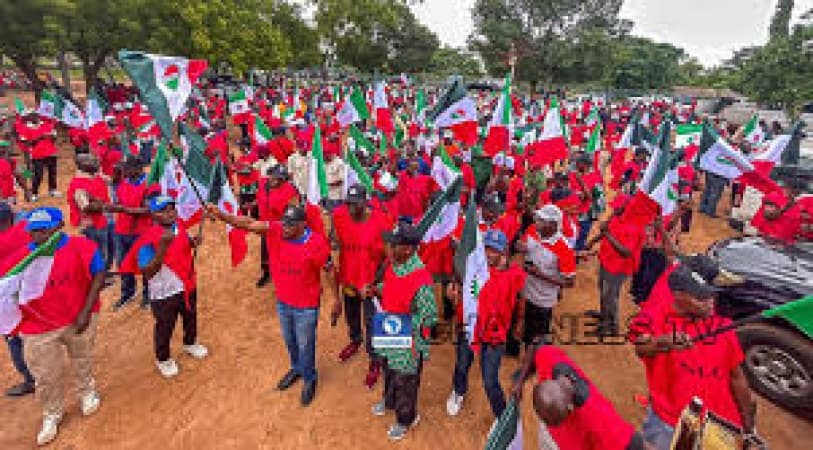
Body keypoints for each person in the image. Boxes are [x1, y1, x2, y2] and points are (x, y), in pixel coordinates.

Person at [207, 203, 334, 406]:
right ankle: (297, 368)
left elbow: (329, 270)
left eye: (290, 225)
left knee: (305, 344)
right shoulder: (275, 230)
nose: (284, 228)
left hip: (306, 307)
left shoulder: (316, 243)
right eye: (284, 223)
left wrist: (336, 301)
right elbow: (248, 223)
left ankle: (309, 378)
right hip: (283, 302)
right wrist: (222, 215)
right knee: (290, 340)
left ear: (302, 225)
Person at [3, 207, 106, 446]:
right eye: (33, 231)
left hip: (77, 318)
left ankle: (86, 391)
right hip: (38, 327)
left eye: (43, 229)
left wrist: (86, 310)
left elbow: (99, 273)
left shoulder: (81, 246)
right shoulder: (20, 261)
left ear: (58, 227)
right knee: (45, 374)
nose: (37, 236)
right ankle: (52, 413)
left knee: (83, 358)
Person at [629, 265, 757, 449]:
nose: (710, 302)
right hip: (670, 424)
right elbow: (641, 349)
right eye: (701, 298)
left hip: (719, 428)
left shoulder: (722, 327)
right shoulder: (653, 320)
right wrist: (663, 343)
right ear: (678, 295)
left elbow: (737, 378)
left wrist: (750, 427)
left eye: (711, 295)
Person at [119, 195, 208, 378]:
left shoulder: (180, 226)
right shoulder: (147, 239)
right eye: (163, 210)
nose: (169, 213)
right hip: (164, 292)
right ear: (153, 216)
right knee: (165, 326)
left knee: (190, 316)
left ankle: (190, 342)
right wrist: (162, 247)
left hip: (187, 283)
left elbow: (184, 244)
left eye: (171, 208)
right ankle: (163, 358)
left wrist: (193, 242)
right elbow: (148, 271)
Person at [445, 229, 526, 420]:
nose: (490, 254)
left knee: (490, 379)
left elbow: (521, 298)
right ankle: (458, 392)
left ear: (504, 251)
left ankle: (501, 418)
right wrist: (453, 295)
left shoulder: (514, 274)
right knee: (462, 364)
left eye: (495, 250)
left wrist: (520, 321)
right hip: (469, 327)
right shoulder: (473, 267)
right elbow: (460, 288)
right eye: (487, 248)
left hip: (495, 334)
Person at [370, 221, 438, 441]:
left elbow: (429, 317)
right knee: (388, 370)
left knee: (405, 382)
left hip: (408, 340)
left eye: (394, 244)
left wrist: (402, 322)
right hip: (390, 330)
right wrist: (377, 290)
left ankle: (406, 418)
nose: (388, 247)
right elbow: (391, 287)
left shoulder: (421, 280)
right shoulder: (394, 265)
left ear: (408, 249)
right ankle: (389, 401)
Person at [511, 345, 651, 450]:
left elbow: (636, 444)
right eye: (545, 420)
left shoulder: (598, 415)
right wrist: (520, 380)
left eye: (556, 422)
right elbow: (536, 346)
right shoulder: (549, 358)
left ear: (570, 408)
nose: (549, 425)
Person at [330, 184, 390, 388]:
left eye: (356, 205)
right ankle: (355, 340)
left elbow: (388, 259)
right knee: (351, 315)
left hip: (370, 285)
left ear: (366, 203)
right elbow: (336, 237)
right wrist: (334, 241)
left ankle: (375, 360)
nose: (351, 209)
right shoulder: (340, 215)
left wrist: (374, 283)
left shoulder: (381, 222)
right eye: (349, 204)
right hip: (349, 279)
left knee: (372, 322)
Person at [518, 205, 576, 346]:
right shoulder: (532, 230)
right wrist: (520, 247)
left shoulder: (564, 249)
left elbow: (570, 282)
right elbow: (522, 244)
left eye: (541, 220)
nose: (536, 221)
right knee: (525, 330)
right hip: (525, 292)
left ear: (553, 225)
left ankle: (534, 363)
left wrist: (539, 275)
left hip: (543, 300)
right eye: (538, 218)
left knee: (538, 337)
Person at [586, 195, 644, 336]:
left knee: (611, 295)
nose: (614, 208)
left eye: (617, 206)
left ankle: (610, 327)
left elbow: (626, 252)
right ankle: (604, 315)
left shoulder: (634, 226)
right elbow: (607, 229)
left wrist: (607, 234)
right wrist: (594, 241)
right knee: (603, 290)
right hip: (607, 260)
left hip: (619, 267)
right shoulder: (618, 217)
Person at [0, 202, 35, 397]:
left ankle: (31, 379)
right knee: (36, 330)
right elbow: (26, 214)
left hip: (7, 298)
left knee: (14, 338)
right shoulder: (25, 230)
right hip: (30, 290)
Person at [110, 155, 152, 309]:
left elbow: (149, 209)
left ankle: (149, 293)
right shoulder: (123, 183)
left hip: (142, 231)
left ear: (138, 169)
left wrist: (123, 209)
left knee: (145, 263)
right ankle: (128, 292)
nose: (124, 171)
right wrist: (114, 206)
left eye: (127, 168)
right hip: (121, 230)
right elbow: (118, 202)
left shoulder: (149, 184)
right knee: (123, 264)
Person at [254, 164, 299, 287]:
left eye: (280, 178)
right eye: (274, 177)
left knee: (283, 253)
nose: (275, 180)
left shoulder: (290, 190)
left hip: (280, 228)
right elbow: (258, 199)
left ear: (284, 179)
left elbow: (293, 211)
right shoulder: (262, 184)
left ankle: (288, 276)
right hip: (264, 225)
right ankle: (267, 273)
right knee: (265, 251)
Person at [67, 154, 112, 270]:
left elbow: (111, 180)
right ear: (82, 166)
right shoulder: (79, 184)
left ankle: (102, 273)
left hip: (100, 221)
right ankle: (97, 276)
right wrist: (104, 205)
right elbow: (86, 207)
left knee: (103, 251)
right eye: (90, 161)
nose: (95, 162)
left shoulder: (94, 175)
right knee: (96, 253)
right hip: (90, 224)